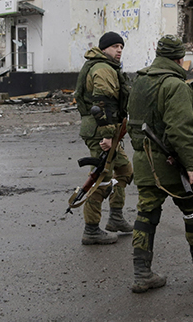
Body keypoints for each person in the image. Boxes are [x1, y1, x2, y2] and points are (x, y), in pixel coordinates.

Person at [126, 35, 193, 293]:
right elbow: (181, 131)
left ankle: (142, 274)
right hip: (171, 165)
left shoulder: (140, 80)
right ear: (180, 59)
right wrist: (191, 167)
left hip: (143, 160)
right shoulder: (176, 86)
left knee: (146, 214)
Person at [74, 31, 134, 245]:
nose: (119, 50)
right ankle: (91, 229)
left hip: (108, 130)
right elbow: (102, 104)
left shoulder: (107, 66)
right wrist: (108, 136)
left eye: (121, 47)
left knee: (124, 171)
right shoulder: (102, 68)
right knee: (102, 179)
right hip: (101, 131)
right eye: (115, 46)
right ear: (104, 48)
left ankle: (116, 217)